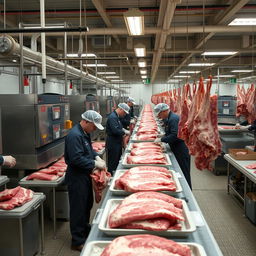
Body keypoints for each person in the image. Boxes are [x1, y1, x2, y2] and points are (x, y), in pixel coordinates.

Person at [64, 110, 106, 252]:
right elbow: (76, 159)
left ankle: (85, 229)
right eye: (94, 126)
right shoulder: (74, 135)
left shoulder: (84, 133)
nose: (94, 129)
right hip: (76, 177)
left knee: (87, 204)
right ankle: (77, 241)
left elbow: (88, 151)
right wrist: (94, 164)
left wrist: (96, 157)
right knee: (78, 208)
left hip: (84, 175)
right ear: (86, 122)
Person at [154, 103, 192, 189]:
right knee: (180, 171)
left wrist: (162, 140)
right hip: (176, 147)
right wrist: (164, 135)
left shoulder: (173, 119)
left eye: (160, 114)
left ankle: (188, 192)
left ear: (164, 111)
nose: (159, 116)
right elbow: (171, 132)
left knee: (183, 173)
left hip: (181, 150)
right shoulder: (170, 118)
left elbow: (175, 135)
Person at [106, 103, 130, 174]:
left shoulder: (116, 116)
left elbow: (118, 127)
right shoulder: (112, 117)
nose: (125, 114)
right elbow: (115, 131)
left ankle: (115, 173)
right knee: (113, 162)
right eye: (124, 112)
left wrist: (123, 130)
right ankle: (111, 176)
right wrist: (124, 132)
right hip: (113, 143)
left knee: (117, 160)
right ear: (121, 109)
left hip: (117, 142)